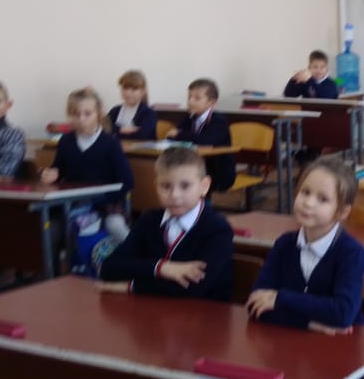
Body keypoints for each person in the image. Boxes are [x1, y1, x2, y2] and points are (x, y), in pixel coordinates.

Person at [245, 159, 364, 379]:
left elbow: (342, 313)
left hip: (343, 352)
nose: (308, 202)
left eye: (322, 198)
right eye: (304, 192)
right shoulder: (284, 245)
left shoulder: (351, 253)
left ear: (342, 212)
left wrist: (281, 299)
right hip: (291, 345)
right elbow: (256, 304)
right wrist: (309, 321)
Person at [98, 147, 233, 300]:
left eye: (185, 186)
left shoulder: (218, 229)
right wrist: (161, 268)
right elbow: (109, 268)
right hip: (149, 310)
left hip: (204, 312)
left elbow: (194, 288)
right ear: (156, 186)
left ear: (204, 186)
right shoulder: (149, 220)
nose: (175, 195)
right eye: (166, 186)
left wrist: (131, 286)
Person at [40, 87, 134, 241]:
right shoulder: (66, 141)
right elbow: (58, 170)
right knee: (51, 230)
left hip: (105, 205)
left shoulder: (110, 143)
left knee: (115, 225)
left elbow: (127, 181)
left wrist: (100, 200)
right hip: (73, 205)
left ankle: (134, 254)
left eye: (87, 114)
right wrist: (50, 174)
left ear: (99, 113)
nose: (81, 119)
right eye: (76, 114)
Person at [167, 78, 235, 192]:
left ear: (211, 103)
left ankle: (202, 202)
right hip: (194, 166)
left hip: (217, 171)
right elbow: (171, 136)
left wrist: (180, 135)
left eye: (197, 98)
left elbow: (205, 140)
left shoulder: (219, 121)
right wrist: (180, 135)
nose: (190, 102)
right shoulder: (189, 118)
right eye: (189, 97)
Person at [107, 69, 158, 141]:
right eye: (125, 88)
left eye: (134, 89)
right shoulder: (115, 110)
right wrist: (121, 129)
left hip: (139, 148)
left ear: (143, 91)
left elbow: (141, 136)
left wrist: (115, 131)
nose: (128, 93)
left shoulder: (149, 113)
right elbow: (103, 129)